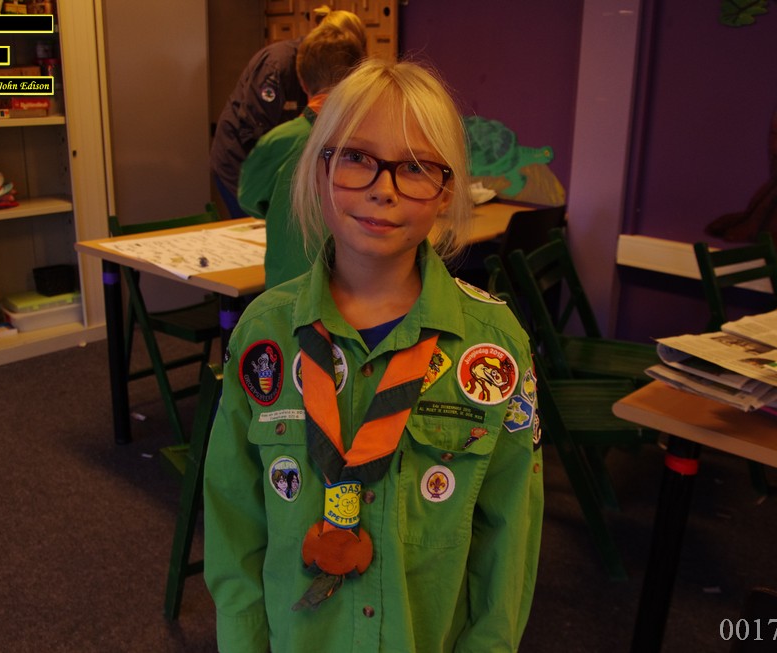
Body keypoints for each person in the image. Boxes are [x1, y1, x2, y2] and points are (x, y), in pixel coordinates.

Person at [204, 59, 544, 652]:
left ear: (445, 191)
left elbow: (508, 539)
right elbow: (234, 520)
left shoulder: (493, 345)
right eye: (357, 157)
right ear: (320, 170)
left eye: (415, 167)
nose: (383, 188)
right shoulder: (264, 333)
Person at [238, 22, 366, 288]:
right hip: (358, 290)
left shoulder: (279, 142)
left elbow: (249, 200)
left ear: (302, 81)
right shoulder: (374, 139)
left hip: (287, 292)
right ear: (360, 76)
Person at [210, 8, 366, 218]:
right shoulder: (277, 65)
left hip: (283, 163)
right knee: (258, 225)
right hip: (241, 161)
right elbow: (256, 134)